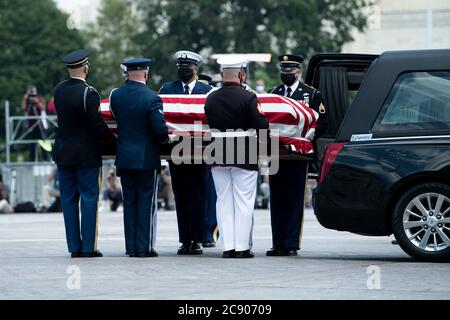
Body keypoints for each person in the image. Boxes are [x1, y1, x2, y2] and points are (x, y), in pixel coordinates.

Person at [204, 57, 269, 258]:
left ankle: (228, 247)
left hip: (217, 153)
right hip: (243, 152)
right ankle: (241, 247)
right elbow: (262, 126)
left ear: (222, 75)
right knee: (244, 201)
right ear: (242, 74)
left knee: (223, 200)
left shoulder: (211, 97)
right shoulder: (248, 97)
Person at [53, 49, 116, 258]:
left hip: (63, 153)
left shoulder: (58, 91)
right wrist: (112, 140)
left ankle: (74, 247)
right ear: (86, 68)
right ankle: (89, 247)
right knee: (89, 199)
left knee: (69, 201)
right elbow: (96, 126)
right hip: (86, 154)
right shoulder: (89, 92)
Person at [266, 54, 327, 257]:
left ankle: (291, 243)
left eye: (290, 71)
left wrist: (307, 137)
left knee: (293, 198)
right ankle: (278, 243)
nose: (286, 74)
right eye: (283, 71)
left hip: (298, 155)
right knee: (277, 198)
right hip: (277, 154)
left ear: (298, 71)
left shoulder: (311, 94)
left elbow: (323, 121)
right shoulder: (273, 93)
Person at [110, 58, 169, 258]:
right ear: (145, 74)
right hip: (145, 158)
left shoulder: (115, 96)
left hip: (125, 157)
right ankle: (144, 247)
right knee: (146, 202)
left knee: (130, 202)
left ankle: (132, 246)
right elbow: (160, 132)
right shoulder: (152, 98)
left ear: (127, 74)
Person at [159, 50, 213, 255]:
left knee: (198, 195)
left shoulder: (206, 90)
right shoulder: (167, 89)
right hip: (176, 149)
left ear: (196, 69)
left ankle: (197, 239)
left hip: (201, 149)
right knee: (181, 195)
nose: (183, 70)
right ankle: (184, 239)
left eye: (187, 67)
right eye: (180, 67)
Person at [21, 85, 47, 161]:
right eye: (30, 92)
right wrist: (25, 98)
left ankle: (45, 159)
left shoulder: (39, 98)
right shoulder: (26, 99)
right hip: (30, 126)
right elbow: (23, 108)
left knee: (43, 144)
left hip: (40, 125)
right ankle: (31, 160)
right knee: (31, 145)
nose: (32, 94)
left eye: (33, 92)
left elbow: (43, 108)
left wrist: (37, 102)